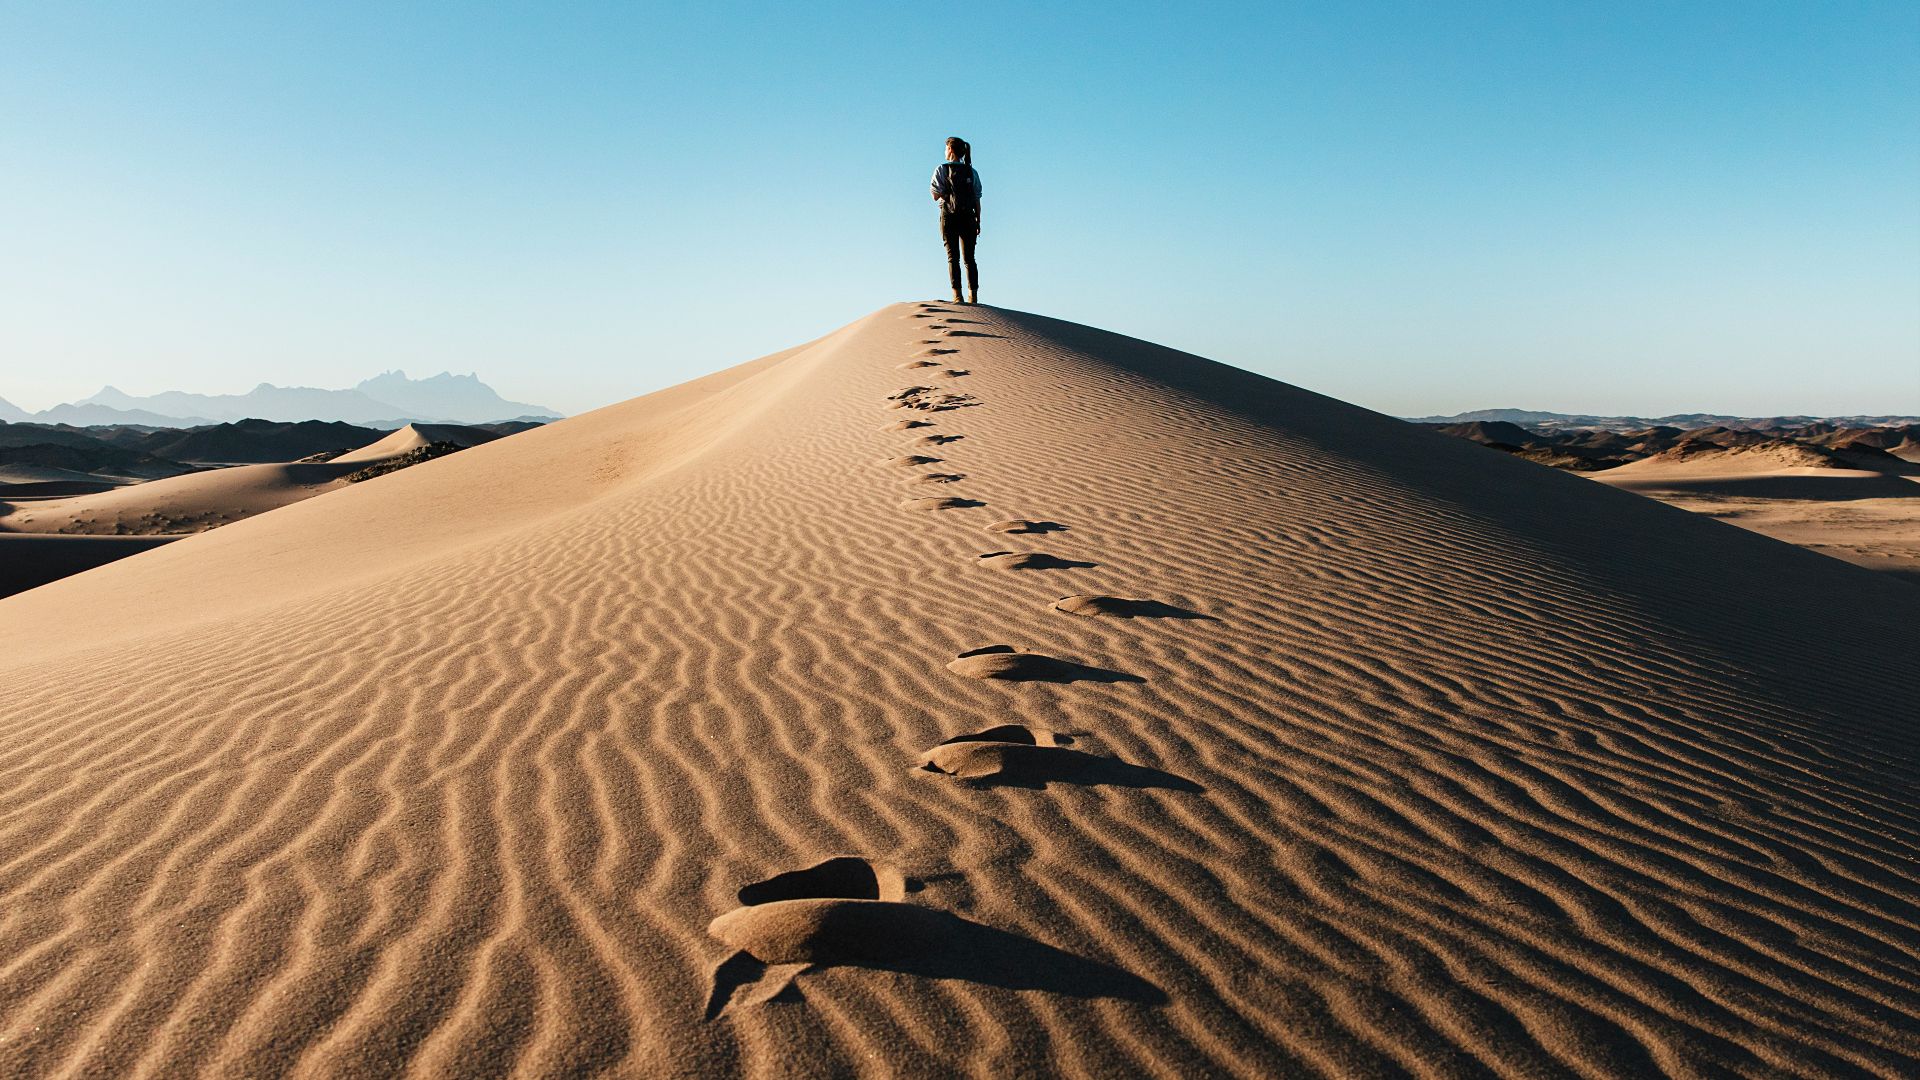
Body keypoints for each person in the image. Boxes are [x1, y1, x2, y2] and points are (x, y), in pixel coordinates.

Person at [930, 136, 982, 304]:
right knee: (970, 259)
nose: (945, 151)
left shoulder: (941, 169)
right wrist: (978, 222)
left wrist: (946, 194)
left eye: (946, 148)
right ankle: (973, 297)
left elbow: (934, 195)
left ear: (950, 150)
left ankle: (957, 296)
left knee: (953, 257)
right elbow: (977, 199)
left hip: (948, 216)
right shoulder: (971, 172)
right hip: (968, 217)